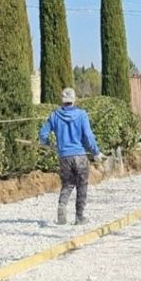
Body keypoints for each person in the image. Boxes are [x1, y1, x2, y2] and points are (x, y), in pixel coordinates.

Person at [39, 87, 105, 225]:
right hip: (80, 156)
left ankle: (62, 206)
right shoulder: (82, 115)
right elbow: (88, 136)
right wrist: (96, 152)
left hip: (64, 156)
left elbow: (43, 133)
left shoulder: (54, 115)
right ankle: (79, 217)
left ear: (62, 100)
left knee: (68, 184)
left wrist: (46, 143)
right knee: (82, 185)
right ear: (74, 100)